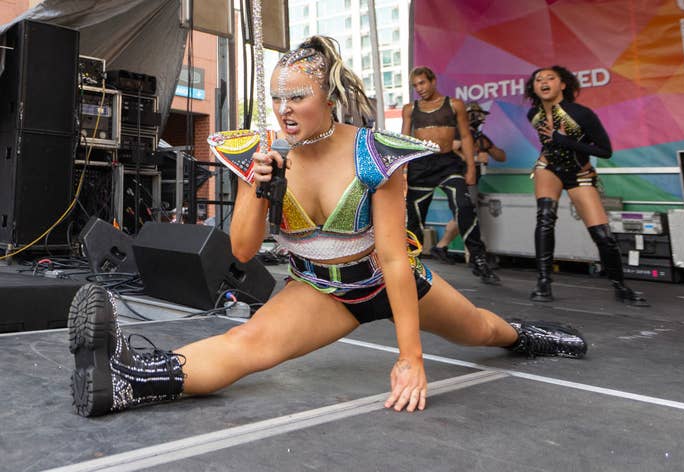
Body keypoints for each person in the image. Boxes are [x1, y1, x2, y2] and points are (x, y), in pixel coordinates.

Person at [67, 38, 588, 418]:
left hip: (389, 280)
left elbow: (392, 258)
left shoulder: (374, 154)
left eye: (297, 97)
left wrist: (411, 359)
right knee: (248, 344)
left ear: (330, 96)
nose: (284, 110)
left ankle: (528, 337)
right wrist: (256, 183)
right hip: (320, 289)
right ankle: (126, 379)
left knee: (482, 329)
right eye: (277, 98)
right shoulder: (263, 155)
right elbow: (244, 251)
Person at [525, 65, 647, 306]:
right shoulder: (533, 115)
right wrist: (547, 152)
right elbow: (548, 143)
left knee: (602, 234)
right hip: (548, 169)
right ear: (534, 88)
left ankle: (620, 286)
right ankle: (543, 282)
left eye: (550, 78)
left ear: (563, 84)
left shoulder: (582, 114)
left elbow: (605, 150)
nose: (544, 82)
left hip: (579, 174)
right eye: (538, 79)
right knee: (545, 217)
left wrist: (564, 140)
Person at [402, 67, 499, 284]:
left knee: (464, 207)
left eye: (423, 83)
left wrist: (471, 168)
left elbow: (465, 136)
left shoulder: (454, 105)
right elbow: (405, 141)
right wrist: (403, 172)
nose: (420, 89)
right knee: (414, 219)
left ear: (433, 81)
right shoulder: (410, 109)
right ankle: (410, 267)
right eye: (416, 85)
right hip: (420, 165)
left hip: (448, 164)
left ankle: (479, 260)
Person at [430, 102, 506, 265]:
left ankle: (443, 247)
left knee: (464, 215)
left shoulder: (479, 137)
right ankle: (469, 252)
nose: (477, 118)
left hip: (473, 179)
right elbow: (449, 149)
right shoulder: (459, 133)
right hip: (461, 178)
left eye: (479, 115)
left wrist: (489, 149)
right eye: (473, 114)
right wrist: (474, 159)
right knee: (465, 214)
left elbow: (501, 156)